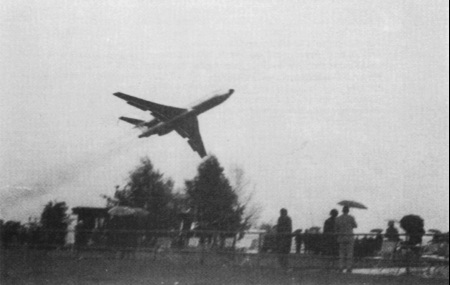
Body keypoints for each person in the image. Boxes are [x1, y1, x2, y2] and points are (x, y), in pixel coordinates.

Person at [335, 206, 357, 273]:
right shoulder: (351, 217)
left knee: (341, 253)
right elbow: (355, 226)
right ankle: (348, 267)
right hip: (349, 237)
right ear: (348, 211)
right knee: (349, 253)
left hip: (341, 237)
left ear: (342, 210)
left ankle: (341, 267)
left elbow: (336, 228)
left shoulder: (338, 218)